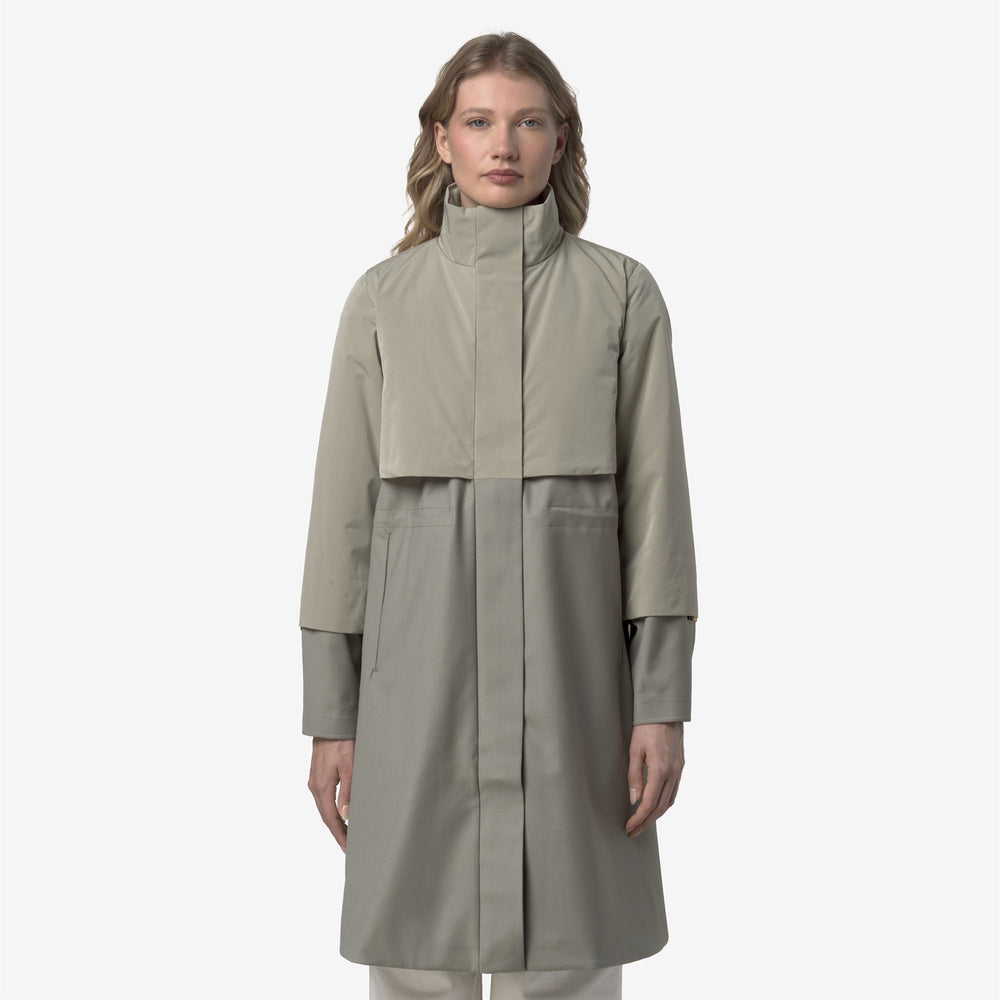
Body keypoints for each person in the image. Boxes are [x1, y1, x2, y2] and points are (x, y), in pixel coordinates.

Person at [299, 31, 699, 1000]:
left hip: (577, 697)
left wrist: (660, 701)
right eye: (479, 121)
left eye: (528, 122)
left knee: (568, 955)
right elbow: (341, 521)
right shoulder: (384, 300)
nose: (503, 144)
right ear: (442, 139)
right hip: (414, 701)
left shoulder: (620, 295)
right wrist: (330, 714)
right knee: (416, 955)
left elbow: (658, 514)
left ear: (561, 139)